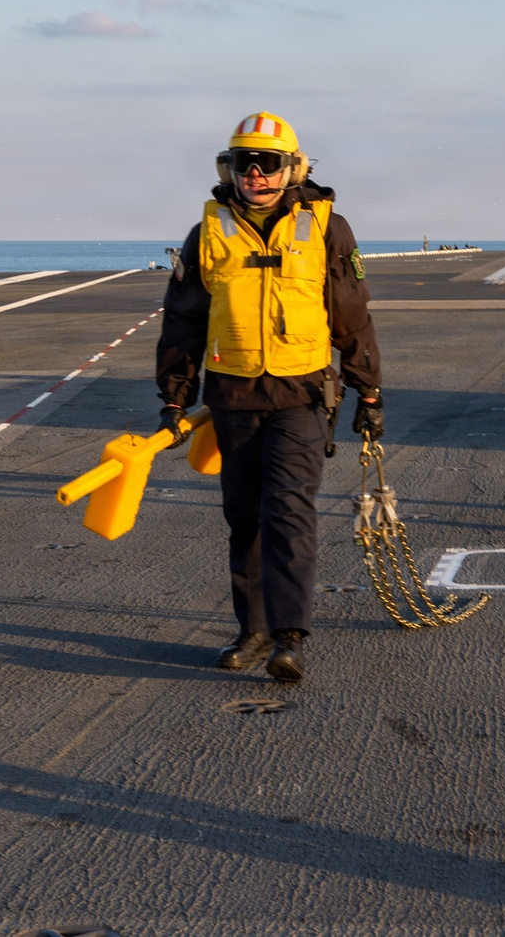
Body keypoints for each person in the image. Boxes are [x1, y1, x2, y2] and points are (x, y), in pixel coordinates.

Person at [155, 111, 383, 683]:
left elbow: (351, 315)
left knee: (288, 512)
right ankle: (252, 630)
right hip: (231, 396)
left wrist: (368, 390)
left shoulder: (327, 228)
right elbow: (182, 320)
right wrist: (175, 397)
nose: (255, 173)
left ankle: (288, 637)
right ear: (227, 169)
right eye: (242, 163)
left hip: (301, 394)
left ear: (293, 167)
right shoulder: (205, 232)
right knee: (244, 517)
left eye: (268, 162)